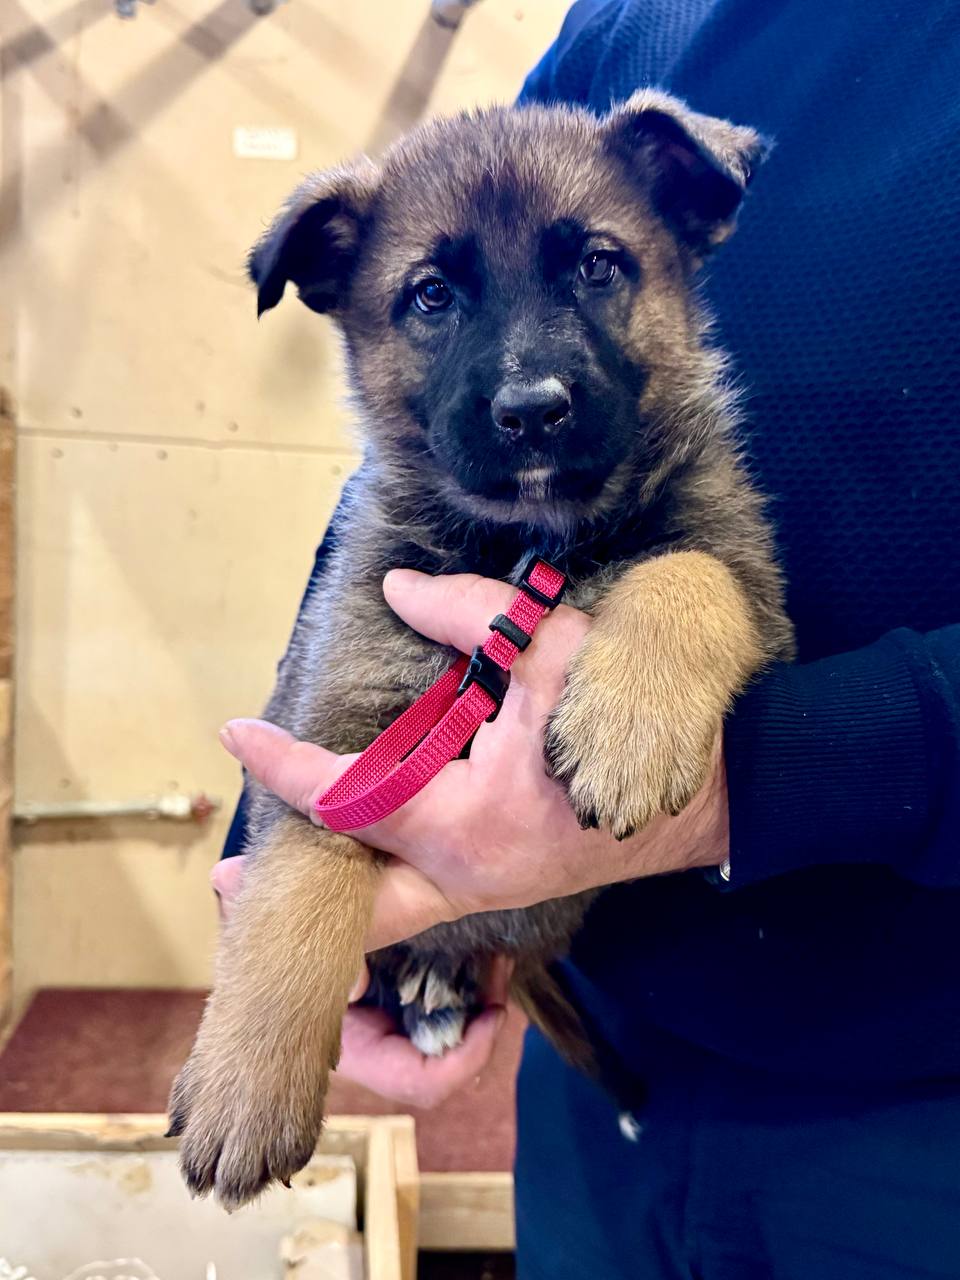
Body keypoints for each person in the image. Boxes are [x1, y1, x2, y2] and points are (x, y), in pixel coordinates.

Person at [216, 1, 960, 1275]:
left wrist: (740, 754)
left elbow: (734, 600)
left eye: (597, 269)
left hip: (912, 1100)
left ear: (686, 235)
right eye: (435, 297)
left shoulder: (689, 495)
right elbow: (346, 645)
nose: (527, 379)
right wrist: (295, 919)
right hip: (600, 1086)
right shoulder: (626, 26)